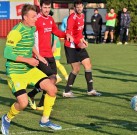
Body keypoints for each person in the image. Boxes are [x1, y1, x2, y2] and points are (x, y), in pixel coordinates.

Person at [1, 4, 62, 134]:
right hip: (15, 72)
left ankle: (44, 120)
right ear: (25, 17)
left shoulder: (32, 28)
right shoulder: (16, 32)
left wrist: (39, 56)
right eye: (33, 16)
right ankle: (7, 118)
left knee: (52, 88)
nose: (36, 18)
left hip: (29, 69)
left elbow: (30, 44)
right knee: (22, 103)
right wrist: (28, 60)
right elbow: (7, 53)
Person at [27, 0, 73, 111]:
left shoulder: (50, 19)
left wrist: (65, 35)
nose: (47, 10)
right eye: (45, 7)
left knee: (52, 81)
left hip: (49, 54)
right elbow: (30, 38)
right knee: (51, 78)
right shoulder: (36, 20)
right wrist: (36, 55)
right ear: (41, 7)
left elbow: (56, 31)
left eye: (48, 7)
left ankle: (35, 98)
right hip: (40, 56)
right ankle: (37, 99)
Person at [63, 0, 101, 97]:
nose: (79, 8)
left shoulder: (82, 16)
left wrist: (83, 40)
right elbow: (69, 34)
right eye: (77, 7)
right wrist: (78, 43)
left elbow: (79, 33)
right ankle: (67, 91)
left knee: (88, 64)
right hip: (71, 45)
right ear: (75, 8)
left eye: (81, 7)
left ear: (83, 7)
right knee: (76, 69)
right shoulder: (72, 18)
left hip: (78, 43)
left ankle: (90, 90)